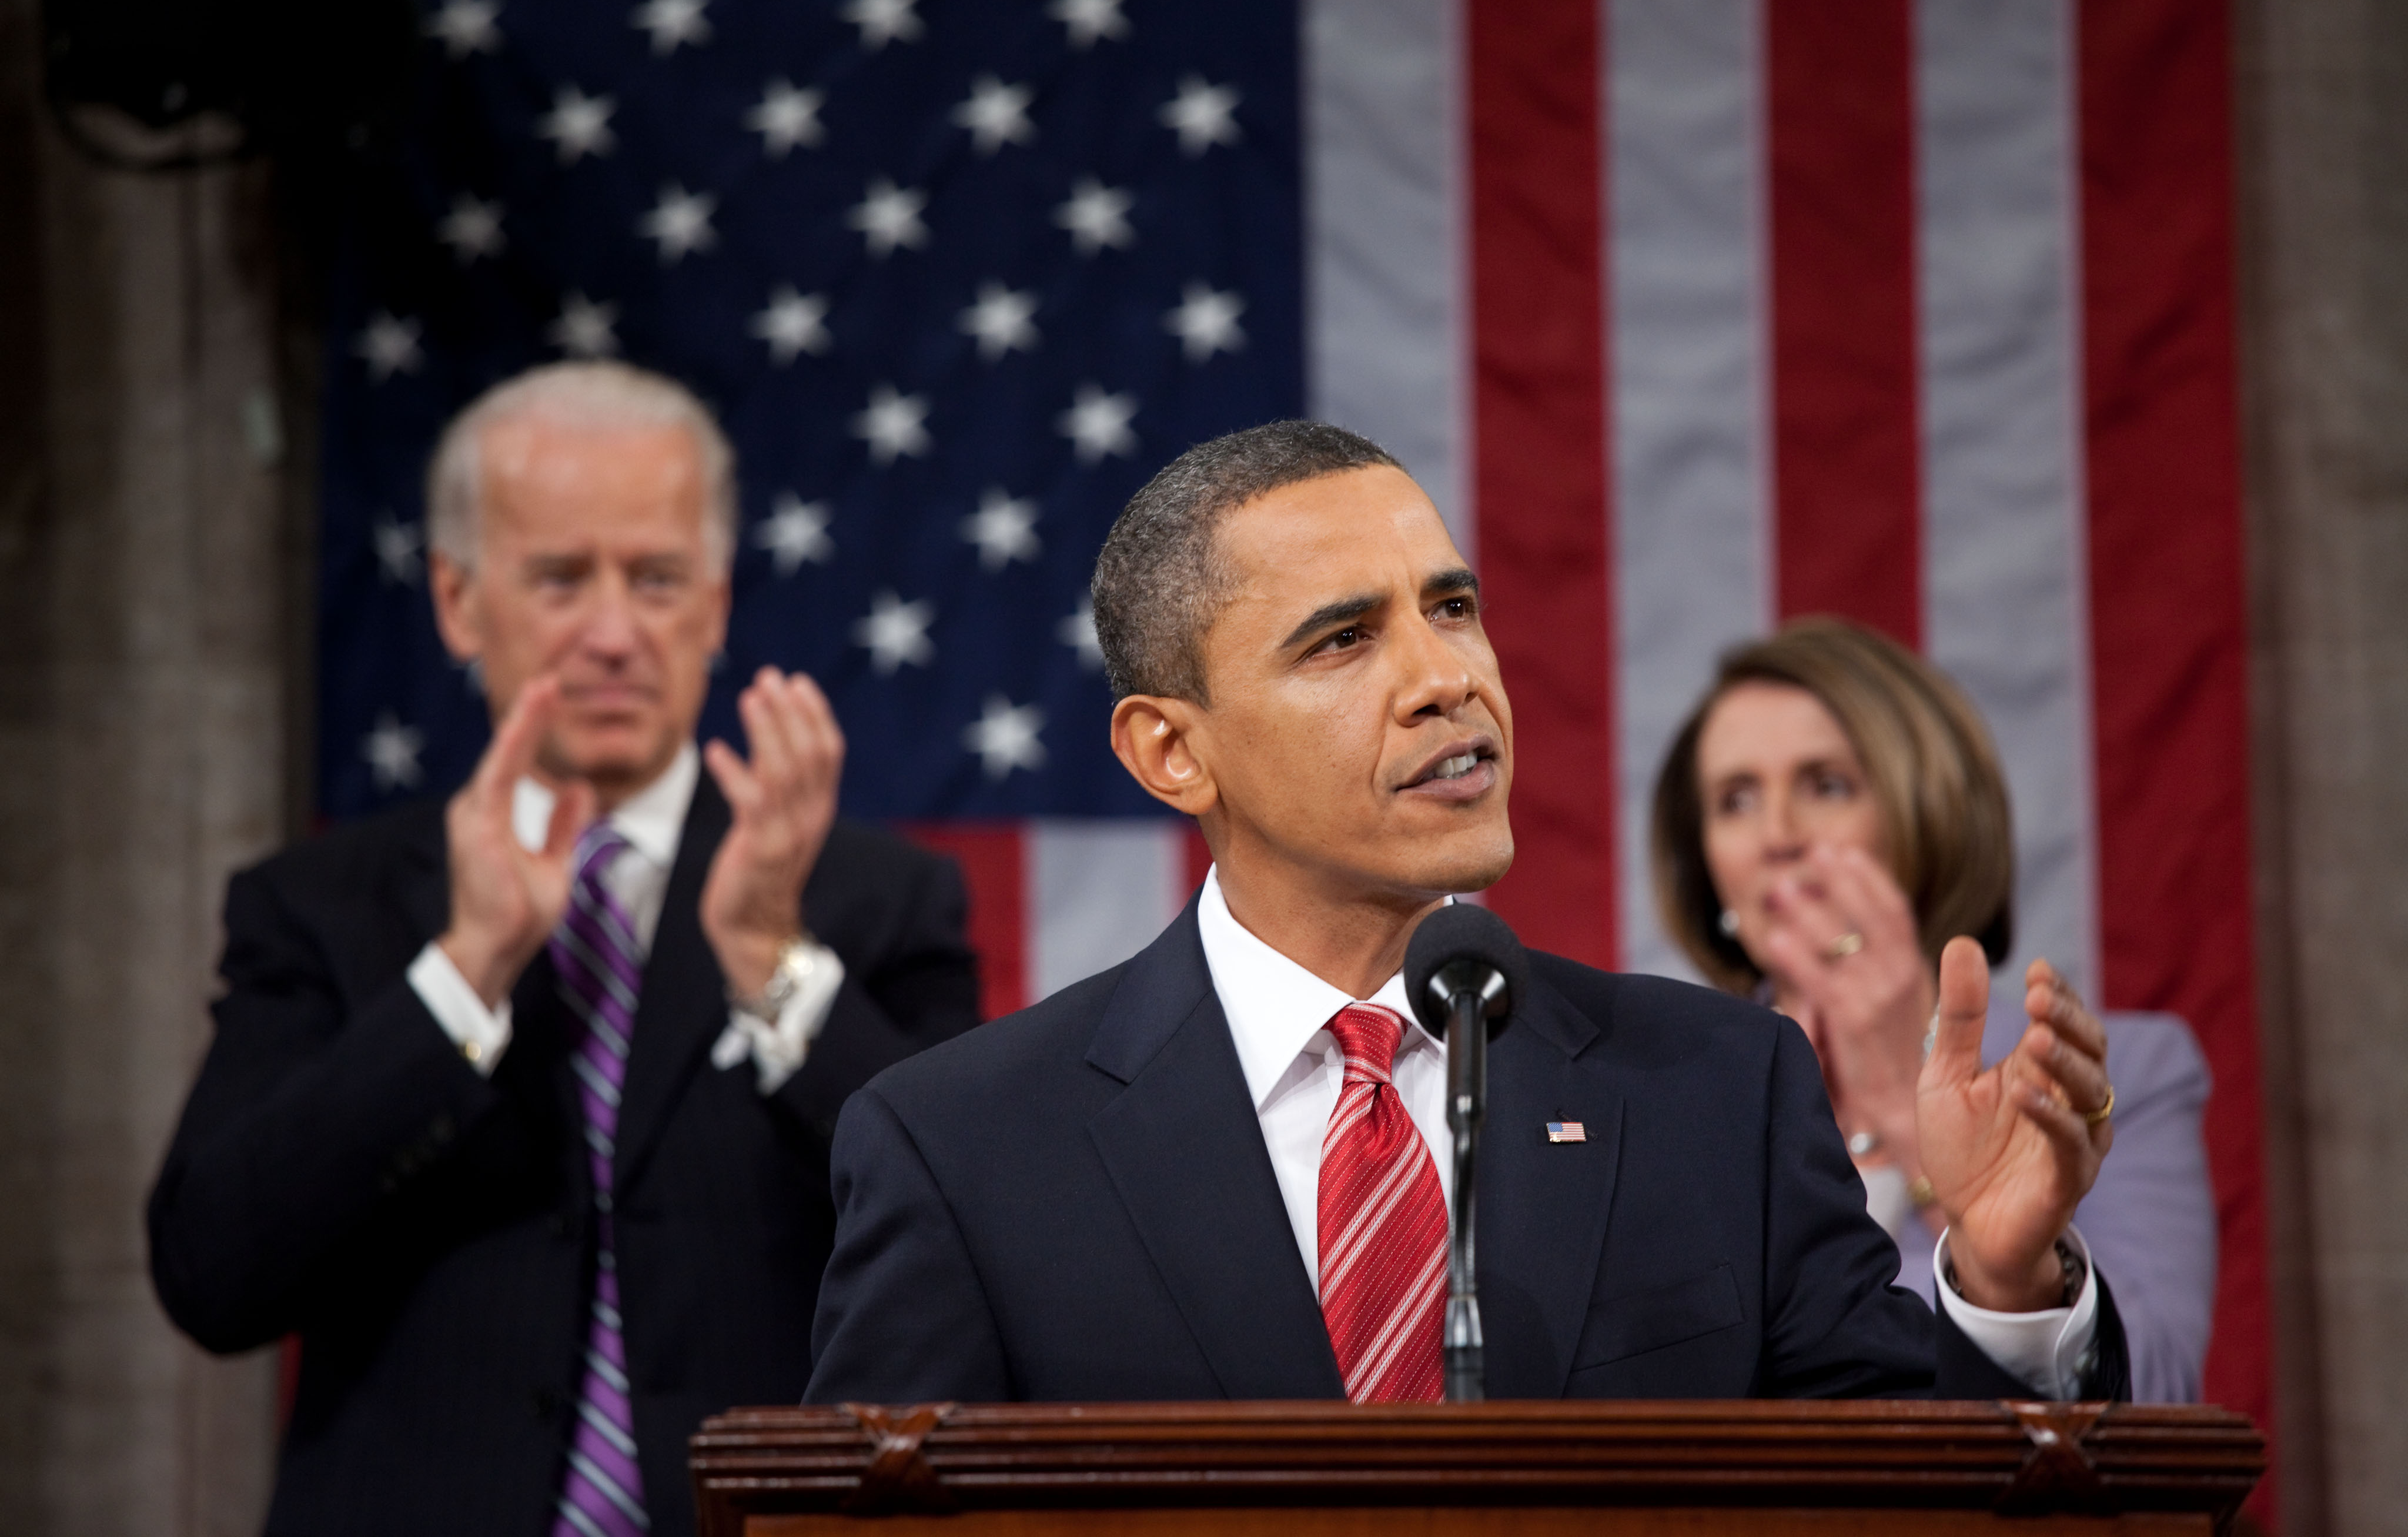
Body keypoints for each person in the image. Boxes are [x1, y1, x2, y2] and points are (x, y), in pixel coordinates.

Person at [805, 420, 2131, 1409]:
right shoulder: (965, 1152)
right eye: (1343, 640)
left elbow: (1897, 1495)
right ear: (1171, 751)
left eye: (1451, 609)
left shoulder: (1717, 1093)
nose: (1447, 679)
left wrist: (2004, 1289)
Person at [148, 362, 979, 1537]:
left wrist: (768, 960)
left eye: (654, 579)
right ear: (455, 599)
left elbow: (978, 1256)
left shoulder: (872, 901)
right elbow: (211, 1275)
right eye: (558, 579)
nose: (611, 634)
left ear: (716, 604)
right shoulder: (319, 906)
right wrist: (461, 972)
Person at [1647, 617, 2216, 1403]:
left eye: (1826, 785)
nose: (1777, 837)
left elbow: (2151, 1399)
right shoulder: (1649, 1098)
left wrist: (1899, 1106)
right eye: (1736, 799)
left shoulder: (2123, 1073)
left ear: (1930, 814)